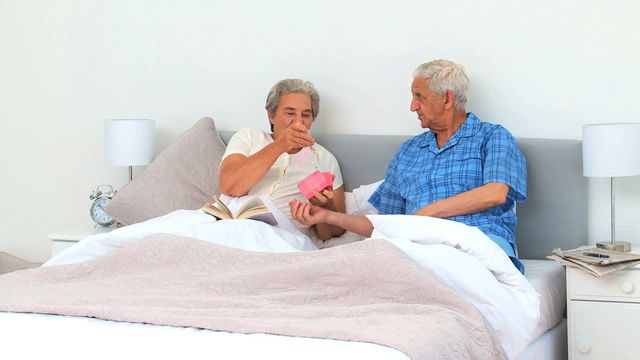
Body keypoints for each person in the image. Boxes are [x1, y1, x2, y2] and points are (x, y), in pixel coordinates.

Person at [289, 60, 527, 273]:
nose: (412, 106)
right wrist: (329, 215)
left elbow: (496, 192)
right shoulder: (409, 151)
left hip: (476, 244)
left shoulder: (493, 136)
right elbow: (386, 225)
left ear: (447, 99)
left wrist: (425, 215)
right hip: (417, 248)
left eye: (419, 97)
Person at [220, 79, 346, 241]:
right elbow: (230, 185)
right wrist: (280, 145)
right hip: (230, 227)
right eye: (290, 113)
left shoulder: (324, 159)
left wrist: (326, 206)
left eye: (306, 115)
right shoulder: (249, 137)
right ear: (271, 116)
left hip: (282, 238)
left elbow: (335, 233)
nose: (298, 121)